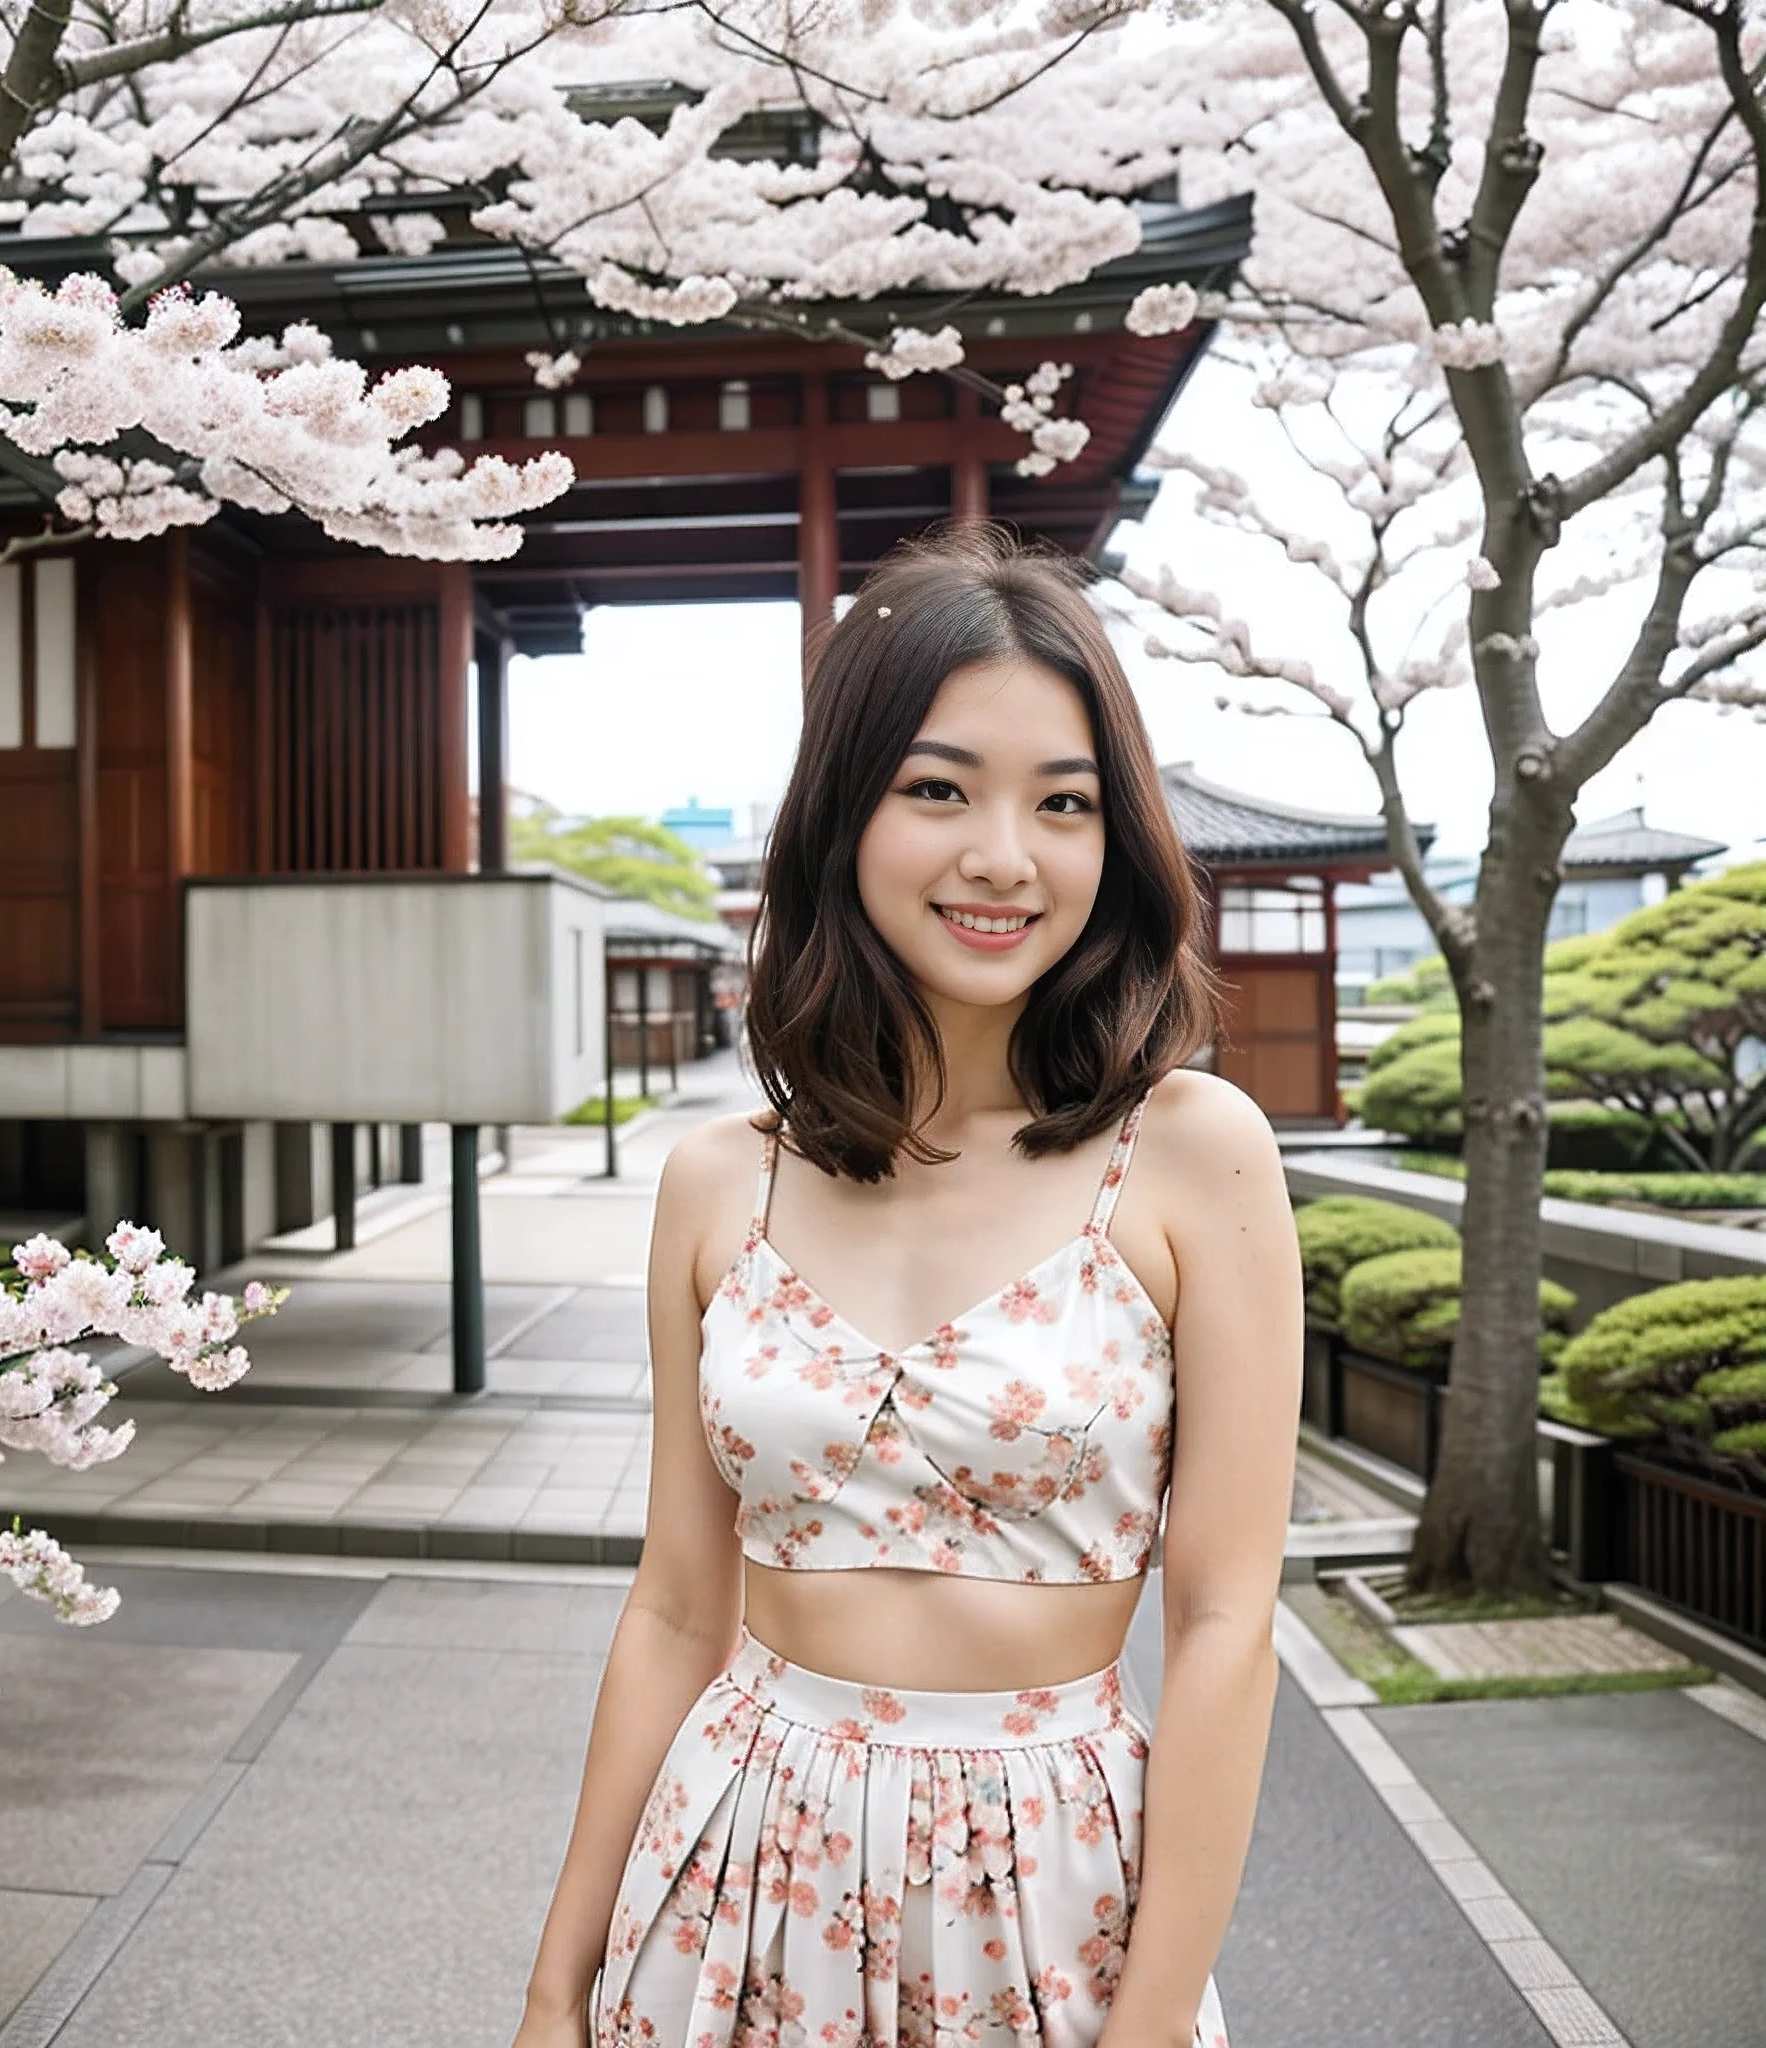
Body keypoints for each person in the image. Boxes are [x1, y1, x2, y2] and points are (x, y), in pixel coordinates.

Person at [513, 524, 1302, 2048]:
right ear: (843, 817)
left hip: (1051, 1889)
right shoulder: (715, 1182)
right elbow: (680, 1608)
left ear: (1113, 840)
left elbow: (1223, 1621)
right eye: (939, 789)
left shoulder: (1195, 1157)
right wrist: (558, 1984)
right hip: (735, 1870)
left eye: (1062, 805)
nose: (1003, 854)